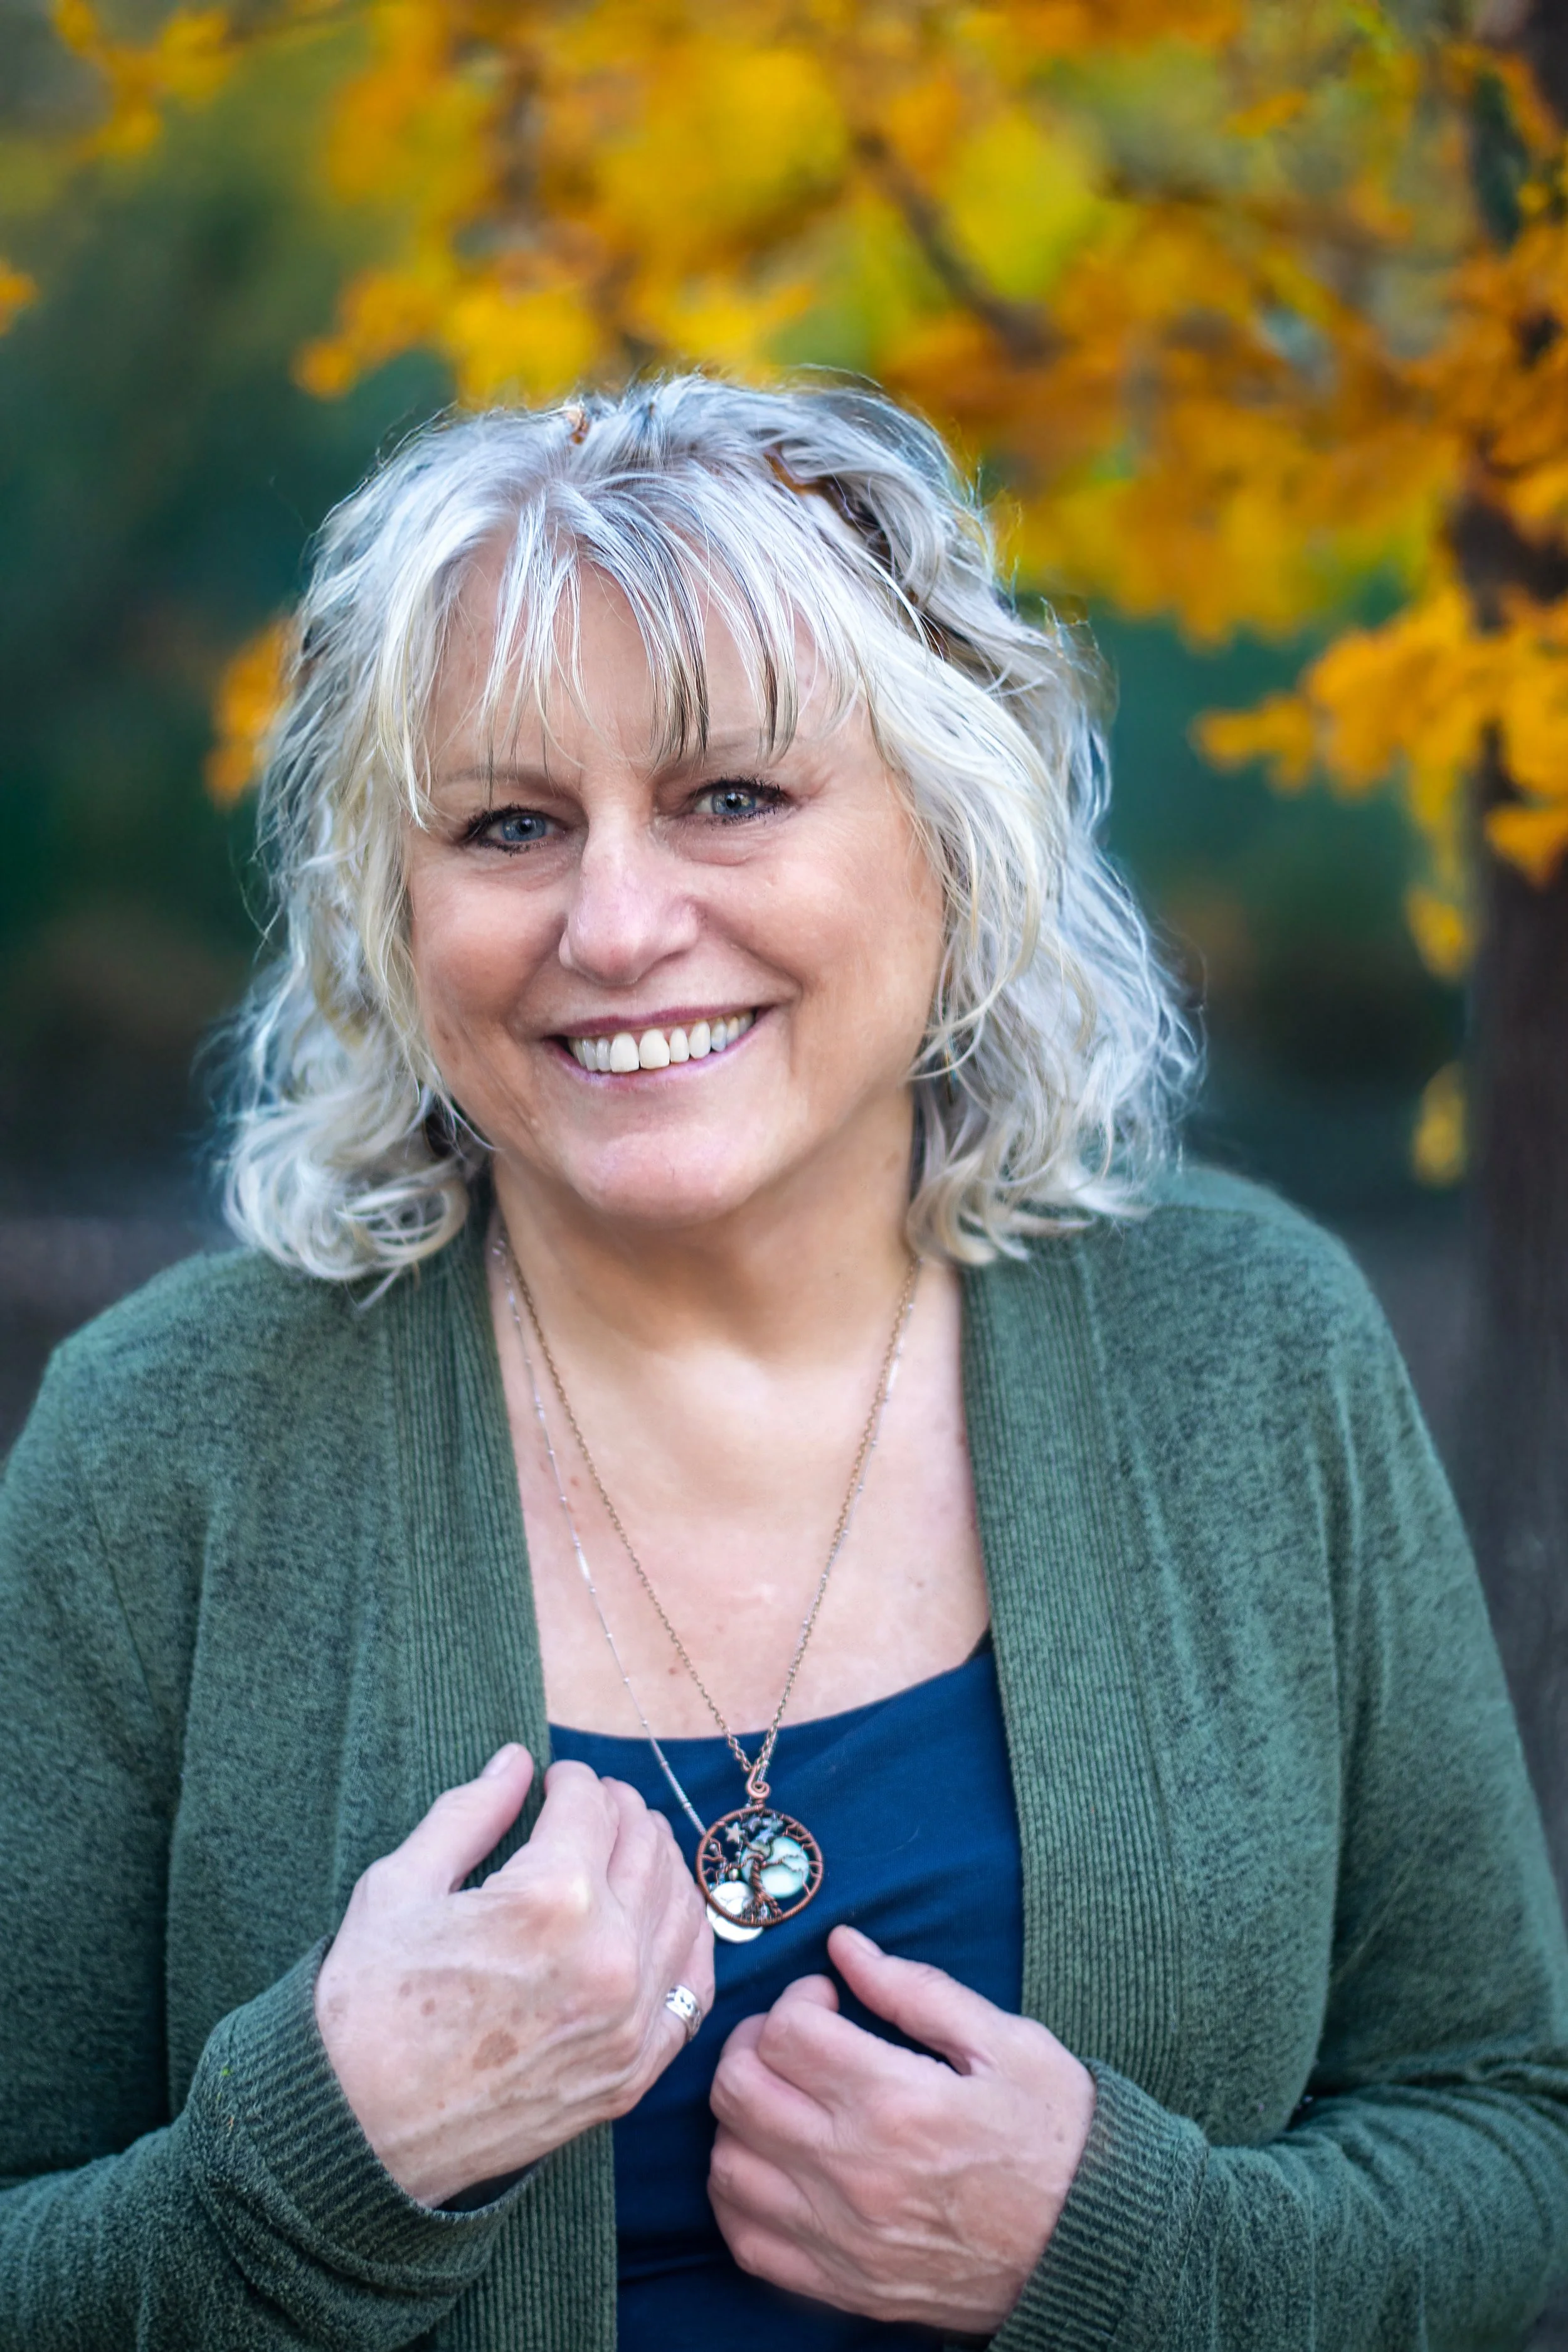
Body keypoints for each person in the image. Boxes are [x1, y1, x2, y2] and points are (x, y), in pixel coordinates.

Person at [2, 374, 1566, 2352]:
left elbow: (1512, 2144)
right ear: (393, 915)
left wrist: (1119, 2253)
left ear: (947, 828)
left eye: (731, 794)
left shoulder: (1245, 1347)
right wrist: (326, 2157)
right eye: (509, 824)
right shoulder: (169, 1442)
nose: (618, 920)